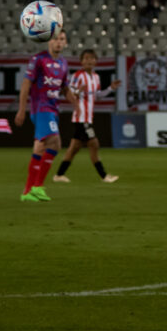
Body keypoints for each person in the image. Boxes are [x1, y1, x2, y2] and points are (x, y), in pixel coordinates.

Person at [13, 30, 78, 203]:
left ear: (65, 43)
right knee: (55, 143)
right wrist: (21, 109)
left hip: (53, 110)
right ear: (49, 41)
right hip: (41, 109)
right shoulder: (39, 59)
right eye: (55, 39)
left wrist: (76, 104)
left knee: (39, 148)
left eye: (62, 39)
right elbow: (26, 85)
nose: (59, 42)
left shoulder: (63, 63)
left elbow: (65, 88)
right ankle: (38, 187)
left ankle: (27, 191)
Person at [53, 48, 121, 184]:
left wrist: (110, 89)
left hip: (88, 117)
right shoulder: (77, 76)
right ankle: (104, 176)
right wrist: (77, 91)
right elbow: (69, 93)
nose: (89, 61)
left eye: (91, 58)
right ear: (81, 62)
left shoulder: (96, 77)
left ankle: (59, 175)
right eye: (86, 58)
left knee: (73, 149)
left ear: (96, 61)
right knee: (94, 144)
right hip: (80, 117)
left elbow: (97, 96)